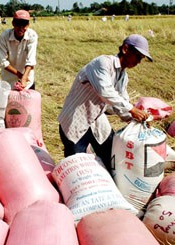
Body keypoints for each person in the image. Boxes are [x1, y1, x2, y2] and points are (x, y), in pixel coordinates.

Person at [58, 34, 152, 173]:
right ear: (125, 49)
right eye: (138, 56)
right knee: (77, 168)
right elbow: (106, 92)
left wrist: (134, 119)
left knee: (111, 157)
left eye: (141, 59)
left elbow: (120, 103)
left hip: (96, 121)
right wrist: (132, 109)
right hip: (75, 120)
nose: (139, 61)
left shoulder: (123, 76)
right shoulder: (102, 63)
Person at [0, 9, 38, 90]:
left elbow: (31, 59)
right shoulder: (4, 36)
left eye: (24, 24)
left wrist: (24, 77)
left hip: (27, 81)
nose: (21, 28)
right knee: (10, 102)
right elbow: (1, 61)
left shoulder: (32, 36)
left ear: (28, 25)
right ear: (13, 23)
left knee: (29, 101)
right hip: (9, 80)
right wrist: (19, 75)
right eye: (18, 24)